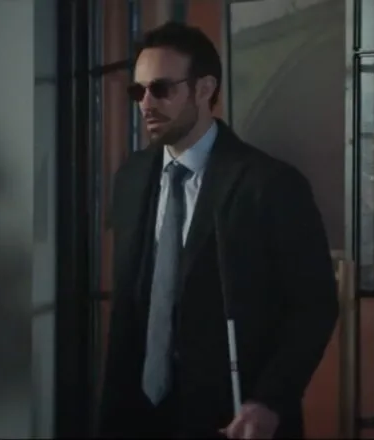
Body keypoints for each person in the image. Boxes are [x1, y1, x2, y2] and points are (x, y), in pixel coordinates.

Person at [98, 21, 338, 439]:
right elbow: (130, 306)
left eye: (161, 89)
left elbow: (314, 306)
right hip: (139, 414)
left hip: (233, 418)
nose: (146, 104)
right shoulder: (131, 178)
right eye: (138, 91)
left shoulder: (269, 184)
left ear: (204, 88)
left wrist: (270, 400)